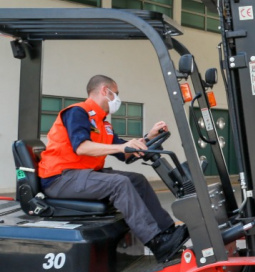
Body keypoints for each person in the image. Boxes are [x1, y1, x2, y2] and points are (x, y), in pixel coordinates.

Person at [37, 75, 188, 261]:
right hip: (60, 178)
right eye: (115, 94)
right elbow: (82, 147)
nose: (117, 99)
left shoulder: (103, 123)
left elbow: (125, 152)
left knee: (137, 180)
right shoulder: (78, 112)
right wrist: (120, 147)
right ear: (104, 91)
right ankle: (156, 242)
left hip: (82, 175)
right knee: (119, 183)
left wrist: (148, 137)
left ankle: (167, 232)